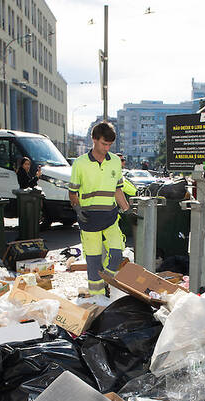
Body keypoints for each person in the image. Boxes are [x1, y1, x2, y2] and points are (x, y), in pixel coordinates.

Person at [70, 122, 137, 296]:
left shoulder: (115, 161)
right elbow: (73, 192)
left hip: (110, 217)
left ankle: (107, 280)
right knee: (93, 260)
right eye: (103, 144)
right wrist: (77, 209)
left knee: (116, 254)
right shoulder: (80, 163)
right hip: (88, 219)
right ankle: (97, 297)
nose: (106, 148)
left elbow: (118, 190)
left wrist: (127, 209)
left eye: (109, 145)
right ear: (94, 140)